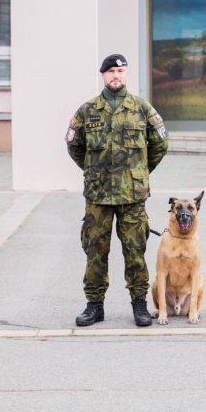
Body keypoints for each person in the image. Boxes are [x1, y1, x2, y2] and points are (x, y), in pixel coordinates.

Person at [66, 54, 169, 327]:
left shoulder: (142, 109)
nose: (116, 76)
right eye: (111, 71)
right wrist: (93, 171)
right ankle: (94, 306)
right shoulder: (87, 111)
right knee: (95, 251)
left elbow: (160, 145)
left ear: (126, 75)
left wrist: (139, 172)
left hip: (132, 195)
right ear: (103, 75)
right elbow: (75, 147)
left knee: (135, 250)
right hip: (98, 195)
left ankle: (139, 305)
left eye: (121, 71)